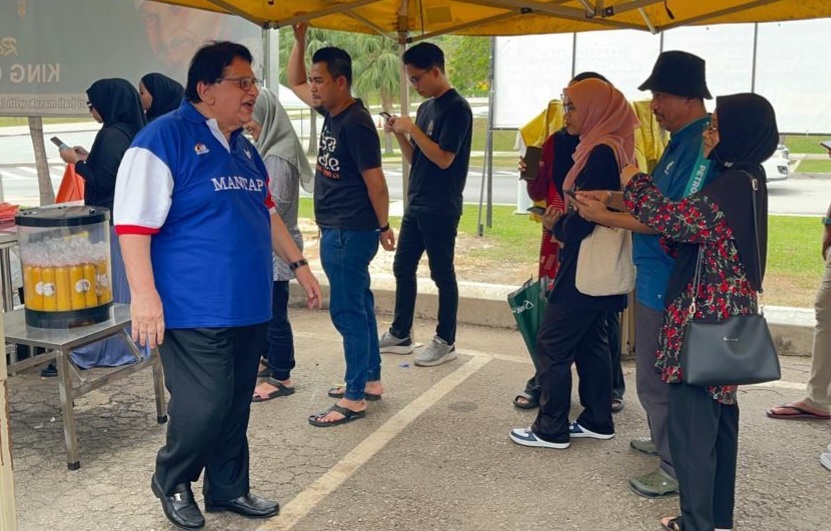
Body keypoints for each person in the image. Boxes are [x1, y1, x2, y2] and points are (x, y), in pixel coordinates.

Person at [113, 41, 321, 530]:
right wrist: (144, 296)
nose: (253, 92)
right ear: (206, 89)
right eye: (242, 82)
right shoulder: (161, 139)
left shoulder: (244, 147)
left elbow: (265, 211)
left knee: (234, 403)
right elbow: (133, 225)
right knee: (203, 404)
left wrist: (299, 263)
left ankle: (227, 487)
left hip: (248, 302)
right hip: (192, 306)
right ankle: (172, 479)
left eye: (254, 82)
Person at [621, 92, 778, 531]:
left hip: (703, 320)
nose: (708, 134)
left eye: (716, 127)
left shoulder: (730, 185)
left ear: (738, 133)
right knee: (719, 423)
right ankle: (716, 519)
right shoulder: (748, 177)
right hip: (727, 319)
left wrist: (635, 180)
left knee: (693, 428)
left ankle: (695, 522)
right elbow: (699, 235)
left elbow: (673, 220)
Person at [574, 50, 715, 498]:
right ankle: (663, 438)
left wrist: (606, 216)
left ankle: (674, 465)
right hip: (655, 275)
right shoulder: (680, 140)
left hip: (672, 281)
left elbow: (672, 219)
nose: (653, 106)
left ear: (689, 97)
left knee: (659, 377)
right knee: (658, 373)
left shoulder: (700, 147)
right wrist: (613, 197)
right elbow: (655, 200)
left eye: (661, 96)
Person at [509, 78, 637, 450]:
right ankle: (597, 419)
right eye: (565, 106)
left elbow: (587, 214)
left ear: (596, 109)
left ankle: (550, 428)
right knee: (592, 342)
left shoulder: (600, 151)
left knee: (552, 342)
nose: (566, 114)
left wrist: (558, 226)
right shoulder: (608, 145)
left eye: (572, 107)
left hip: (584, 265)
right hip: (595, 266)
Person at [288, 23, 395, 427]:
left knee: (348, 312)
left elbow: (376, 182)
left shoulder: (355, 123)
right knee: (360, 306)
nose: (312, 87)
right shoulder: (332, 112)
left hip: (349, 231)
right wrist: (300, 40)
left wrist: (383, 226)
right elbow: (294, 80)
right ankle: (369, 380)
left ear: (340, 82)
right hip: (342, 230)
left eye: (320, 80)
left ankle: (354, 397)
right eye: (314, 80)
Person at [377, 42, 472, 367]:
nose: (415, 86)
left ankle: (446, 340)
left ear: (435, 71)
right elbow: (417, 159)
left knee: (442, 273)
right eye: (411, 80)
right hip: (417, 201)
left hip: (442, 205)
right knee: (402, 266)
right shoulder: (426, 108)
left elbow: (444, 159)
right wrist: (400, 134)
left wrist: (414, 130)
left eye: (417, 79)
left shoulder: (457, 108)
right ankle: (401, 333)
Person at [56, 78, 147, 371]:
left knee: (110, 288)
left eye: (92, 105)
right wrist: (88, 159)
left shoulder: (111, 134)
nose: (91, 111)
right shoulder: (134, 130)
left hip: (110, 221)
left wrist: (76, 163)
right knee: (126, 285)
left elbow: (104, 181)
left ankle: (112, 348)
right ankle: (133, 343)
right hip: (129, 220)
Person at [246, 88, 314, 403]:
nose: (248, 124)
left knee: (275, 315)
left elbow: (274, 205)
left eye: (252, 116)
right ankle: (269, 359)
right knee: (266, 311)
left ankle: (282, 375)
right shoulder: (267, 148)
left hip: (277, 251)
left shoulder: (279, 157)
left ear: (266, 116)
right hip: (266, 249)